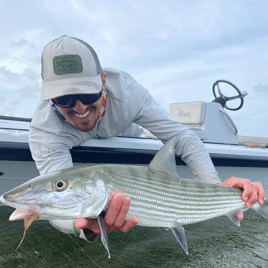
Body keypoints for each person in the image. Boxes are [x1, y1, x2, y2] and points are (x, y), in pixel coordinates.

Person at [29, 35, 265, 242]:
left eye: (87, 93)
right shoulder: (44, 131)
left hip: (128, 133)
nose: (79, 107)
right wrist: (83, 225)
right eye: (64, 99)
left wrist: (214, 188)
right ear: (47, 94)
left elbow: (181, 135)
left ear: (102, 81)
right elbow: (51, 200)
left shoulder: (127, 92)